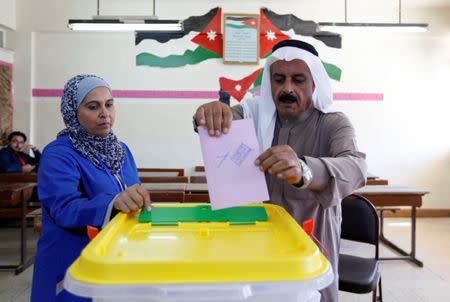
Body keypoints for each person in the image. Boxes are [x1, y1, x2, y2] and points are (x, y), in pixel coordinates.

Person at [194, 40, 367, 302]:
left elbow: (356, 167)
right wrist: (206, 115)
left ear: (314, 83)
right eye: (279, 79)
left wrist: (304, 170)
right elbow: (221, 120)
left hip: (311, 251)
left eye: (298, 80)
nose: (287, 89)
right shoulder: (253, 115)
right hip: (256, 248)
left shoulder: (333, 124)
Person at [31, 74, 152, 302]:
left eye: (109, 104)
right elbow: (64, 208)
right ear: (73, 112)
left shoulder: (121, 150)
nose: (105, 113)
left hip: (113, 256)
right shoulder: (59, 153)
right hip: (72, 261)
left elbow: (131, 191)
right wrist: (112, 202)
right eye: (93, 106)